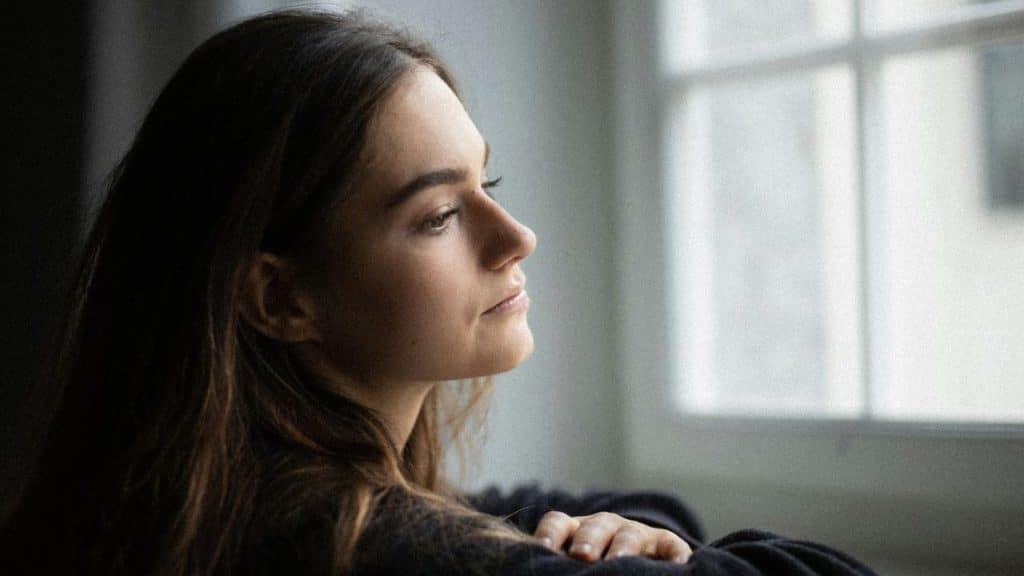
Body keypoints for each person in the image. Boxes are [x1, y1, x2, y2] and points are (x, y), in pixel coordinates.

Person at [2, 10, 876, 575]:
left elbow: (574, 509)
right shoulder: (377, 551)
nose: (516, 236)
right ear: (279, 298)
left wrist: (634, 527)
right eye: (438, 215)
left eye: (485, 182)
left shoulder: (232, 507)